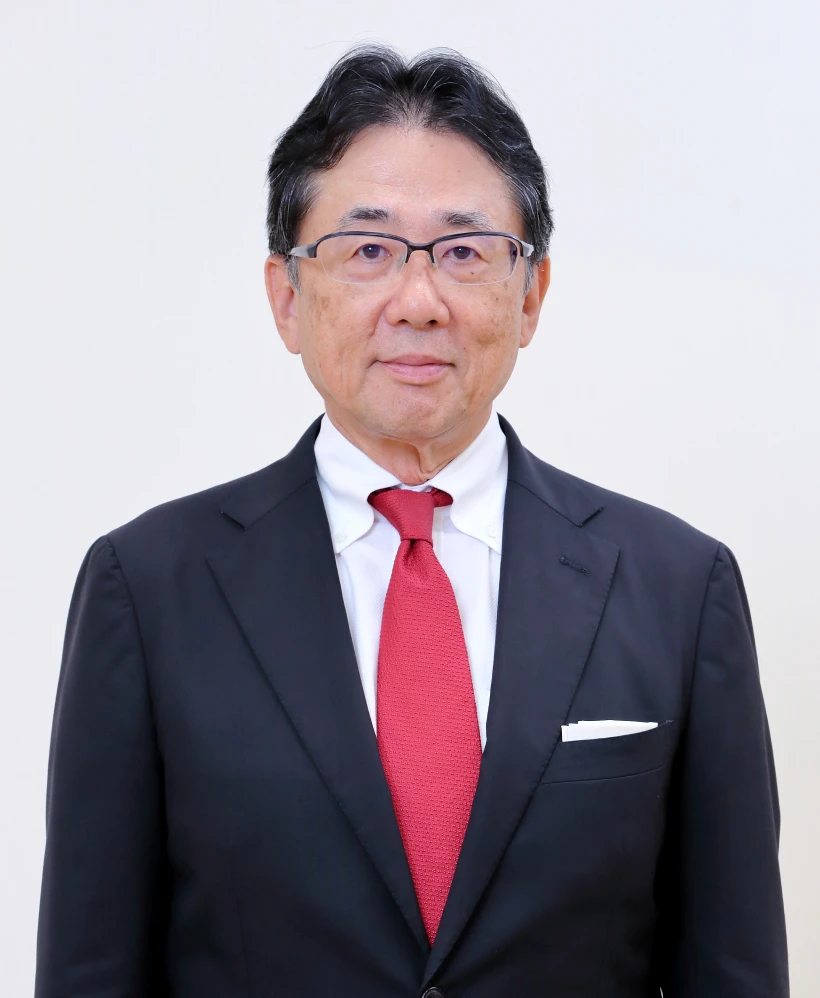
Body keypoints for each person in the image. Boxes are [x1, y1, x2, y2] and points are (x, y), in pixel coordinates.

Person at [35, 44, 789, 998]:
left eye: (465, 252)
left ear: (531, 296)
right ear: (286, 297)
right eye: (369, 250)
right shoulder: (147, 590)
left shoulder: (678, 588)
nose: (419, 301)